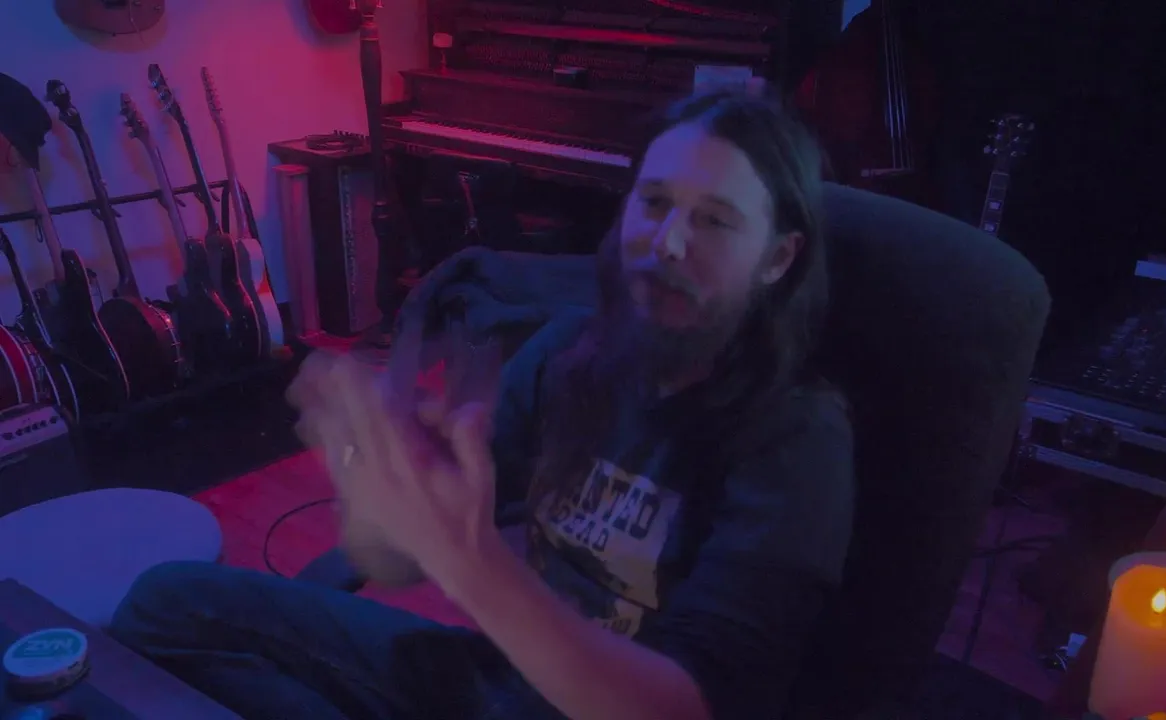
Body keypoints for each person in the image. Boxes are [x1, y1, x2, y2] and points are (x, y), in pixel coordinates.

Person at [108, 87, 855, 720]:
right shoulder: (569, 356)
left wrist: (467, 560)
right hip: (503, 684)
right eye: (654, 202)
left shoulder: (797, 439)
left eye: (715, 220)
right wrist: (387, 489)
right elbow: (392, 560)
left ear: (778, 258)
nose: (666, 244)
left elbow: (685, 710)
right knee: (163, 604)